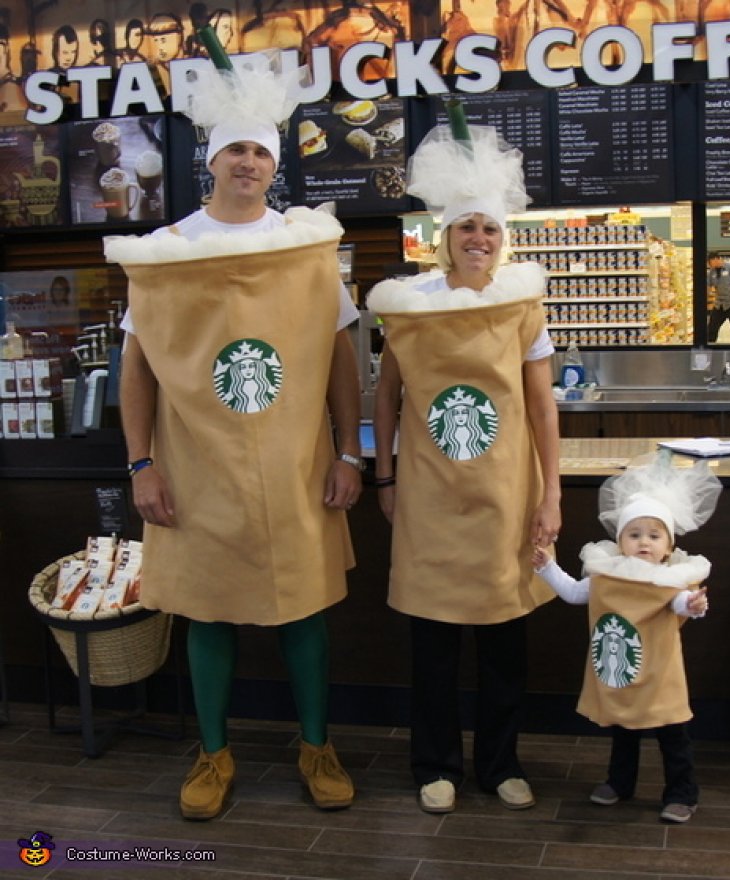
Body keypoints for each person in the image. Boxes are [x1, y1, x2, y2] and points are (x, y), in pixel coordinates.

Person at [111, 53, 362, 821]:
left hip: (295, 465)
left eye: (260, 151)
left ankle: (316, 745)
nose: (248, 162)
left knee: (304, 609)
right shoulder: (166, 249)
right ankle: (214, 753)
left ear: (273, 166)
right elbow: (138, 370)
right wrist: (142, 465)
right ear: (211, 159)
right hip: (197, 466)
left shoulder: (305, 243)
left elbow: (341, 359)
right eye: (236, 149)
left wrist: (349, 451)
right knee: (208, 610)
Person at [367, 121, 562, 814]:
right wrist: (385, 477)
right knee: (435, 639)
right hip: (429, 492)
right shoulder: (408, 305)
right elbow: (386, 395)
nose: (478, 238)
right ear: (443, 236)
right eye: (465, 228)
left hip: (507, 492)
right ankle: (435, 764)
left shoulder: (522, 303)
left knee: (506, 635)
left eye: (489, 228)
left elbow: (542, 409)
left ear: (502, 238)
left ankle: (501, 763)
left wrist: (552, 496)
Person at [532, 452, 722, 824]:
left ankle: (682, 792)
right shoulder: (608, 576)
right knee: (623, 729)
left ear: (668, 546)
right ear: (620, 542)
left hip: (660, 675)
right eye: (633, 535)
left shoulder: (669, 581)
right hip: (624, 674)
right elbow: (574, 593)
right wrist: (547, 568)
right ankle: (620, 782)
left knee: (672, 734)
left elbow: (682, 604)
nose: (643, 543)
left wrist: (696, 605)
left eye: (654, 535)